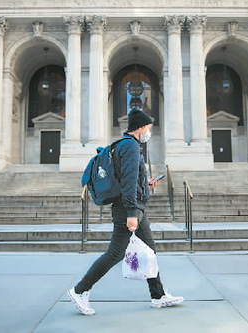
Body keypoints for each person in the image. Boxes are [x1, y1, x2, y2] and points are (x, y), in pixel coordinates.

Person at [68, 108, 184, 315]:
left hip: (135, 206)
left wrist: (144, 183)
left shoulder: (123, 145)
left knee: (149, 251)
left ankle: (158, 295)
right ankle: (80, 290)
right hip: (128, 209)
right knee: (114, 254)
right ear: (140, 127)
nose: (150, 131)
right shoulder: (131, 146)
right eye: (149, 127)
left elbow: (129, 179)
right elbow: (128, 182)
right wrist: (131, 212)